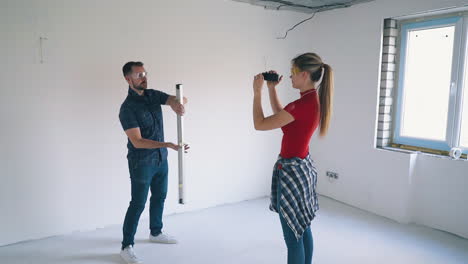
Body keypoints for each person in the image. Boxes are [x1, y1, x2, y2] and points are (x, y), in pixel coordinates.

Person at [252, 52, 334, 264]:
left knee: (293, 238)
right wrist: (271, 89)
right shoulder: (310, 101)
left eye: (293, 73)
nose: (290, 77)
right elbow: (284, 119)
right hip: (302, 169)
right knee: (303, 228)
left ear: (304, 74)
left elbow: (260, 124)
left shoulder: (301, 106)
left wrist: (257, 93)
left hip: (291, 173)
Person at [118, 61, 189, 264]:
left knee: (160, 196)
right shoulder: (127, 108)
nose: (144, 77)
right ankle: (126, 246)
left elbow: (179, 98)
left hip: (160, 160)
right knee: (137, 204)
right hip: (142, 163)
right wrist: (166, 144)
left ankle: (155, 233)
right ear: (128, 79)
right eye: (139, 75)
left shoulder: (152, 95)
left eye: (145, 73)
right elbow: (137, 142)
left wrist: (179, 104)